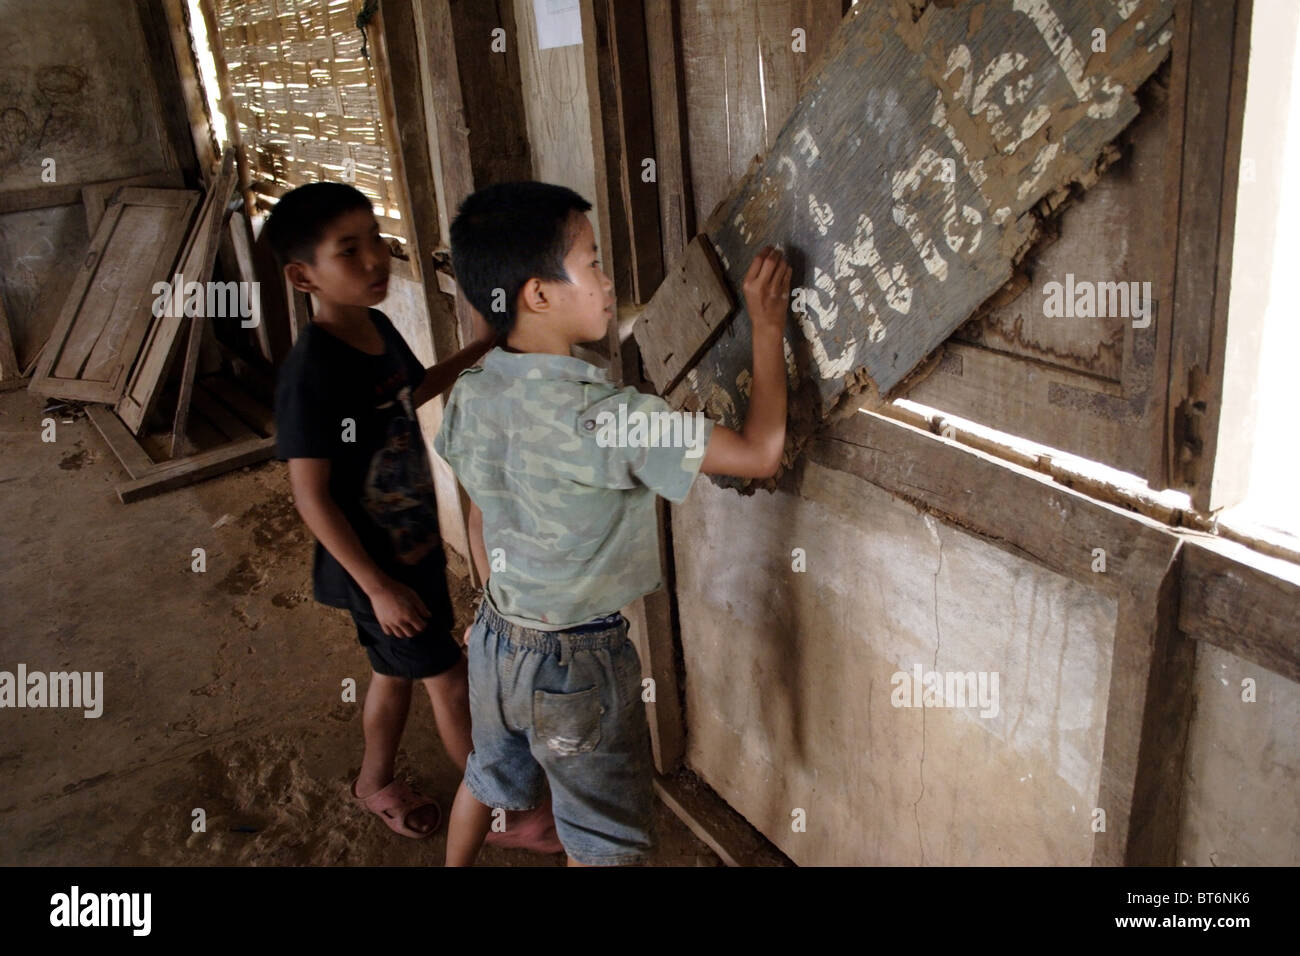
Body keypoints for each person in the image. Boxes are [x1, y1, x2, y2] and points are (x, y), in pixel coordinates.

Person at [435, 180, 790, 866]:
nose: (607, 282)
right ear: (537, 295)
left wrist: (492, 601)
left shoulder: (476, 389)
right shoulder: (615, 419)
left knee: (489, 776)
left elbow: (480, 509)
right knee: (604, 843)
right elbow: (760, 452)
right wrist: (767, 328)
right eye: (592, 263)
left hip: (496, 640)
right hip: (578, 668)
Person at [268, 181, 559, 851]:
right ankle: (500, 814)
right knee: (450, 681)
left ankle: (374, 783)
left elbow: (412, 387)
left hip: (410, 554)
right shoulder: (310, 374)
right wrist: (376, 586)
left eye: (375, 240)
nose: (374, 260)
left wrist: (483, 345)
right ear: (302, 275)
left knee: (394, 672)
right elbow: (310, 496)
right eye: (350, 250)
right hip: (374, 567)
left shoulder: (375, 328)